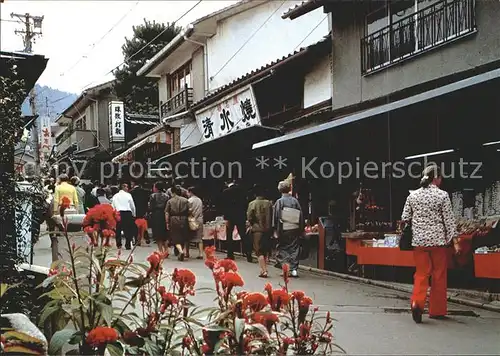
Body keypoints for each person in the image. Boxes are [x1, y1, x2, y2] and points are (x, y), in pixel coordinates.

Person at [401, 164, 460, 323]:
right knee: (438, 275)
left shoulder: (412, 196)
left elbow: (405, 218)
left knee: (421, 274)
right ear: (436, 178)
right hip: (437, 242)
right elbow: (449, 221)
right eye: (441, 178)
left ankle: (417, 303)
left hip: (419, 242)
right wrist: (455, 241)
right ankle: (437, 310)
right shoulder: (442, 196)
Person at [273, 180, 304, 278]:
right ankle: (294, 269)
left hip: (283, 228)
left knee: (283, 248)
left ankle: (286, 268)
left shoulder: (280, 201)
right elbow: (300, 215)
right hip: (294, 227)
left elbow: (277, 216)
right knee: (294, 248)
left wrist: (275, 229)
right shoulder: (295, 201)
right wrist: (301, 227)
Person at [247, 184, 273, 278]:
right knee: (265, 249)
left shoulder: (252, 204)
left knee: (258, 251)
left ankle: (264, 270)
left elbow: (249, 217)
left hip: (257, 229)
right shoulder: (269, 203)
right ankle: (264, 268)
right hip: (268, 229)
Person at [221, 179, 249, 261]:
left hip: (230, 217)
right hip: (241, 216)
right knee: (243, 235)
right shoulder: (242, 191)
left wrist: (226, 218)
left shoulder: (226, 192)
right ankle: (248, 254)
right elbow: (245, 204)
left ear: (226, 183)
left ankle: (230, 255)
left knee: (229, 236)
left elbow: (225, 206)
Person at [165, 185, 190, 261]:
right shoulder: (185, 200)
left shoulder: (170, 201)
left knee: (175, 237)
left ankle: (180, 251)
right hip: (184, 219)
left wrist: (167, 222)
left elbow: (167, 212)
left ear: (173, 192)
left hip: (174, 219)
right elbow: (189, 211)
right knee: (183, 236)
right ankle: (181, 251)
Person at [112, 183, 136, 250]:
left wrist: (114, 214)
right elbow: (132, 205)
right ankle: (128, 244)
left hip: (119, 213)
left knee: (118, 229)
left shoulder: (115, 196)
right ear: (123, 187)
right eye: (127, 187)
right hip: (127, 213)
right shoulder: (128, 195)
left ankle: (119, 244)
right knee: (128, 229)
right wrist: (134, 214)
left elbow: (113, 206)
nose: (127, 188)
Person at [149, 181, 169, 254]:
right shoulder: (166, 196)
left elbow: (151, 207)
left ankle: (161, 251)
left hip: (156, 215)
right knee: (164, 233)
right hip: (164, 214)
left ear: (156, 188)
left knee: (157, 234)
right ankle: (166, 250)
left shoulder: (153, 196)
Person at [130, 180, 151, 244]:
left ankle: (137, 240)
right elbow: (147, 201)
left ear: (133, 184)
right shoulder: (145, 192)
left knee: (135, 225)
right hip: (143, 210)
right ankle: (146, 237)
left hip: (135, 211)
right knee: (143, 224)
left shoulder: (131, 192)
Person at [187, 186, 204, 259]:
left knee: (187, 237)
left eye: (188, 192)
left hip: (191, 220)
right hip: (199, 219)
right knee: (199, 238)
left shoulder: (190, 200)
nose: (187, 193)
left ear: (190, 192)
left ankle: (186, 253)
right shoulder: (199, 200)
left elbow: (188, 210)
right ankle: (200, 253)